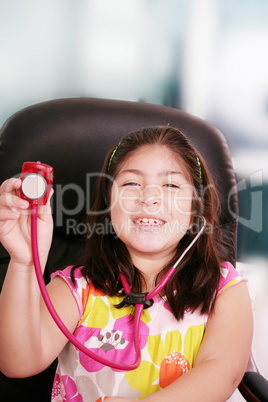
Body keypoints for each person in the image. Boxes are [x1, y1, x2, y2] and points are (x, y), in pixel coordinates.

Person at [0, 126, 253, 401]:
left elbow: (221, 372)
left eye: (171, 185)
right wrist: (24, 261)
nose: (149, 197)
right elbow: (18, 363)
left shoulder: (224, 289)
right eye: (131, 184)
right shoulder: (75, 288)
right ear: (108, 203)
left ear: (196, 208)